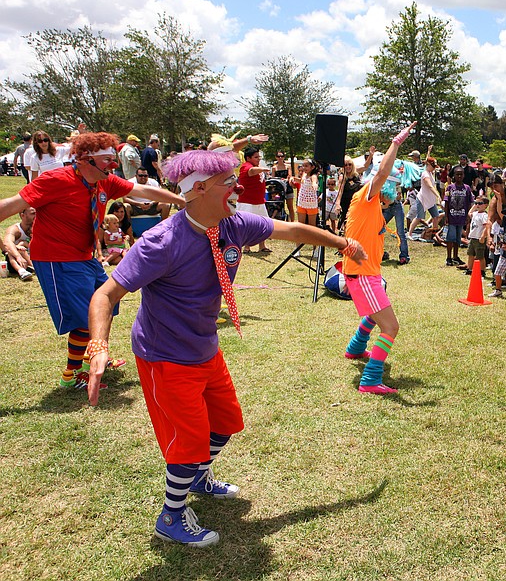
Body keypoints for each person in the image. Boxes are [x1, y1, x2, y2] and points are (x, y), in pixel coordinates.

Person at [84, 147, 366, 547]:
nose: (240, 186)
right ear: (198, 189)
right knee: (189, 440)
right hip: (165, 354)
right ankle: (172, 515)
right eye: (229, 181)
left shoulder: (233, 225)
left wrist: (343, 243)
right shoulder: (160, 242)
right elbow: (105, 295)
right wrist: (97, 346)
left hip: (204, 346)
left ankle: (197, 476)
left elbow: (295, 231)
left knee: (227, 423)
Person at [0, 131, 185, 389]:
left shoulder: (104, 183)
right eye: (108, 160)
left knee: (106, 304)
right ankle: (73, 374)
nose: (113, 165)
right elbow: (10, 205)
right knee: (83, 319)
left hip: (84, 256)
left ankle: (95, 356)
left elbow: (141, 189)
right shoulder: (54, 180)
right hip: (57, 259)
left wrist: (179, 199)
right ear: (86, 160)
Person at [341, 122, 415, 395]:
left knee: (378, 308)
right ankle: (370, 380)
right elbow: (382, 173)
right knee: (391, 327)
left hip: (365, 273)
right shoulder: (364, 197)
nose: (393, 183)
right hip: (361, 275)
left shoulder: (374, 207)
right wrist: (395, 143)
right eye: (390, 182)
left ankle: (355, 349)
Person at [237, 147, 272, 253]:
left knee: (263, 224)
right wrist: (262, 169)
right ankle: (247, 247)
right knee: (248, 225)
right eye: (256, 157)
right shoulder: (245, 166)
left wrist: (261, 168)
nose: (258, 159)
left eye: (259, 157)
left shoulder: (256, 166)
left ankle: (262, 246)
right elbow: (251, 172)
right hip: (247, 202)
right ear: (248, 158)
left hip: (259, 201)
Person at [407, 156, 444, 241]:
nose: (434, 168)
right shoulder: (425, 174)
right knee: (419, 217)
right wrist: (438, 195)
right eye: (433, 166)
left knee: (435, 216)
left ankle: (434, 233)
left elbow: (428, 159)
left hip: (430, 199)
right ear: (428, 165)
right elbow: (430, 186)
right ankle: (409, 233)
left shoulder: (431, 173)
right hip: (422, 199)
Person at [443, 167, 474, 267]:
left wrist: (468, 216)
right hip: (452, 217)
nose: (459, 176)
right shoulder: (449, 188)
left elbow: (470, 203)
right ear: (454, 176)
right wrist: (446, 216)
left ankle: (455, 256)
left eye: (461, 174)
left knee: (457, 239)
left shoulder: (467, 188)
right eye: (457, 174)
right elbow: (446, 202)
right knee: (450, 238)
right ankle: (448, 257)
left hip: (462, 217)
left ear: (464, 175)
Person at [2, 206, 35, 281]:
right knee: (10, 251)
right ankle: (21, 271)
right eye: (33, 213)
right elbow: (7, 243)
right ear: (22, 215)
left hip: (33, 258)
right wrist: (18, 256)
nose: (36, 216)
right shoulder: (15, 229)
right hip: (17, 261)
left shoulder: (39, 227)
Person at [458, 197, 489, 276]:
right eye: (476, 203)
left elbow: (486, 227)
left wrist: (483, 236)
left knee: (480, 256)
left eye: (480, 203)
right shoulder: (475, 213)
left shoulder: (484, 215)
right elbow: (469, 213)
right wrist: (474, 206)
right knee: (470, 254)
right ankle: (469, 269)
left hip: (479, 238)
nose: (477, 205)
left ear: (486, 205)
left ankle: (482, 271)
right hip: (472, 237)